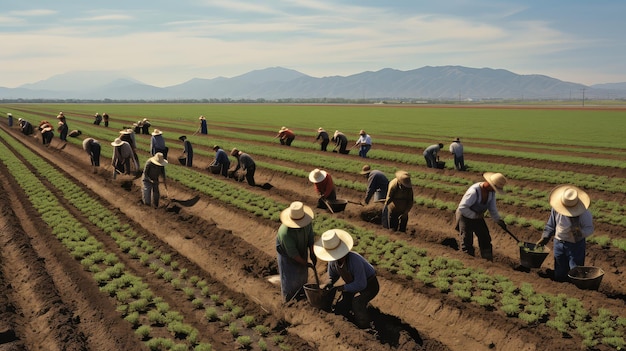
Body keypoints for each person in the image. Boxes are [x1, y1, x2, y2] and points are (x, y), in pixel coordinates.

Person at [315, 229, 379, 329]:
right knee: (341, 306)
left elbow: (361, 284)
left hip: (369, 285)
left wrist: (343, 287)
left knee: (357, 303)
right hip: (353, 283)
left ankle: (366, 328)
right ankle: (346, 323)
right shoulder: (333, 262)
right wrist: (328, 284)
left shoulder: (355, 260)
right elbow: (332, 276)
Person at [536, 185, 594, 282]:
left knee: (575, 273)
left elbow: (589, 229)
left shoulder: (584, 213)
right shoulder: (557, 209)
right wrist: (544, 238)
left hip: (575, 246)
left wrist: (580, 233)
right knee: (559, 275)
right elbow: (551, 225)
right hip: (559, 243)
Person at [455, 172, 508, 261]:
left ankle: (487, 260)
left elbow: (492, 208)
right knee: (467, 239)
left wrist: (498, 220)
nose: (495, 190)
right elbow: (463, 207)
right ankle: (468, 261)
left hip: (477, 216)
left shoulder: (491, 192)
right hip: (465, 215)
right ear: (489, 184)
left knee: (485, 237)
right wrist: (474, 215)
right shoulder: (474, 192)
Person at [275, 201, 317, 302]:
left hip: (301, 247)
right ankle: (289, 300)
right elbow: (293, 254)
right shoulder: (285, 233)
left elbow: (310, 237)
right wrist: (306, 263)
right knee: (289, 278)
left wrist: (312, 253)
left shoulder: (307, 223)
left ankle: (302, 294)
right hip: (287, 255)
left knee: (302, 275)